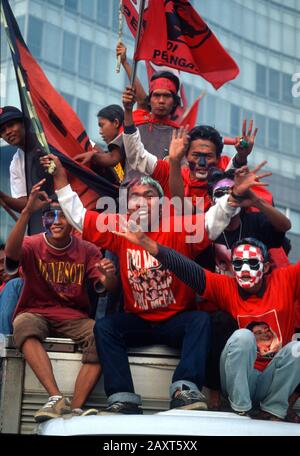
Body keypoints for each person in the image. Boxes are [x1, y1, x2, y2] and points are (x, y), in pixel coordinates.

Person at [39, 152, 270, 415]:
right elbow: (78, 216)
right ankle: (122, 396)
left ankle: (184, 388)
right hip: (138, 320)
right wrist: (59, 177)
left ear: (162, 204)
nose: (140, 201)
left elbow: (212, 220)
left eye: (149, 196)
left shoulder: (180, 227)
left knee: (201, 321)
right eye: (134, 196)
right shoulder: (119, 226)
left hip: (176, 321)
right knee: (105, 327)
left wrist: (234, 197)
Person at [116, 228, 300, 422]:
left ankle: (273, 411)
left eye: (252, 263)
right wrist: (147, 242)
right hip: (238, 379)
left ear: (267, 267)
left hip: (271, 379)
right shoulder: (226, 287)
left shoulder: (285, 280)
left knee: (298, 349)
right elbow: (188, 270)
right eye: (238, 263)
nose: (245, 270)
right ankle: (240, 410)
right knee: (243, 337)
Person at [4, 181, 118, 422]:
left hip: (73, 317)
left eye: (63, 216)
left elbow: (107, 286)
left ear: (73, 224)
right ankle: (56, 398)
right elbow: (13, 254)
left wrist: (109, 277)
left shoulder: (87, 249)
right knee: (22, 323)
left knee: (103, 333)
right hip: (36, 312)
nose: (56, 221)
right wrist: (26, 211)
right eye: (50, 215)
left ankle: (74, 408)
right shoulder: (33, 244)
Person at [121, 87, 261, 212]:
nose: (201, 163)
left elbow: (231, 178)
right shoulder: (169, 170)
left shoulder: (219, 186)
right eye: (196, 155)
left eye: (207, 157)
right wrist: (128, 112)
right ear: (186, 156)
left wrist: (241, 156)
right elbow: (137, 157)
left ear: (218, 159)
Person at [208, 169, 291, 275]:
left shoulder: (256, 222)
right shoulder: (206, 227)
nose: (228, 198)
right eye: (220, 193)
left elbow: (285, 226)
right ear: (211, 200)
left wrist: (257, 201)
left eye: (233, 192)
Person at [74, 104, 124, 184]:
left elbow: (113, 158)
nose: (100, 132)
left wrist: (93, 155)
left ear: (116, 123)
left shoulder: (126, 138)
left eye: (102, 125)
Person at [0, 106, 28, 213]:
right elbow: (24, 205)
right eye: (2, 131)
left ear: (24, 123)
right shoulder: (16, 164)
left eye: (11, 125)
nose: (7, 132)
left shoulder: (49, 144)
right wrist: (2, 195)